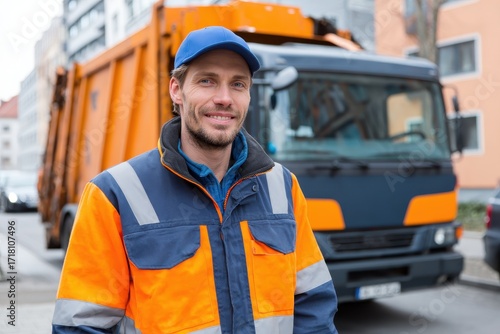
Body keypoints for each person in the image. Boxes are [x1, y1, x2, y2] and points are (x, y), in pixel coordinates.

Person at [52, 26, 338, 333]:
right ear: (176, 90)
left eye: (238, 84)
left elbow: (313, 304)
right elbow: (81, 325)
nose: (224, 98)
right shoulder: (114, 194)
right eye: (207, 81)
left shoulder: (282, 186)